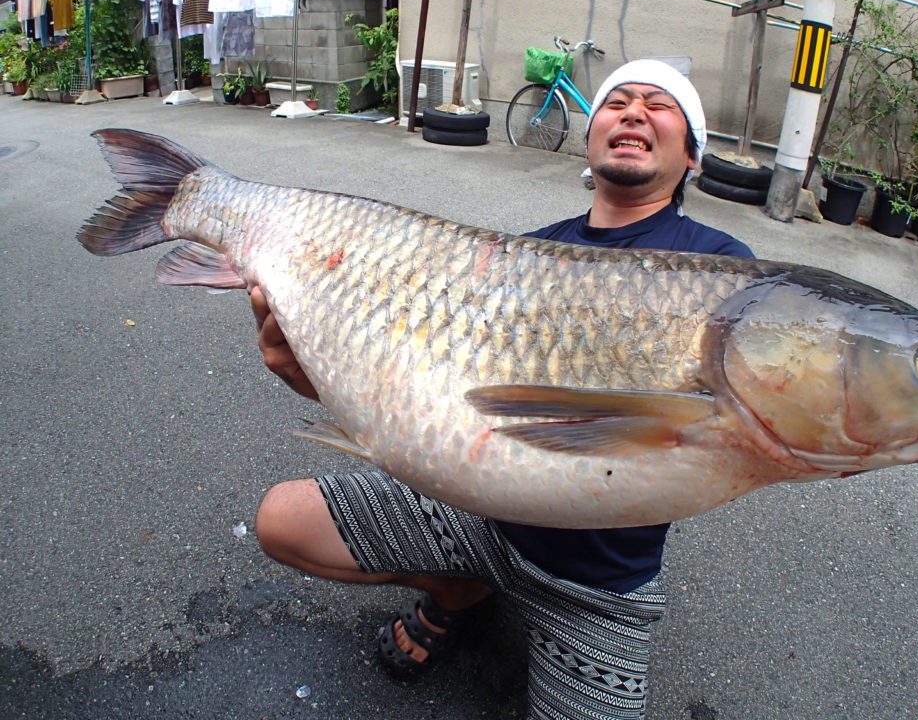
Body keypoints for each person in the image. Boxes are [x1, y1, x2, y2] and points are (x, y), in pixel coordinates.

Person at [251, 59, 753, 720]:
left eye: (659, 106)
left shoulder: (724, 274)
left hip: (600, 586)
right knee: (281, 522)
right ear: (591, 134)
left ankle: (521, 610)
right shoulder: (523, 257)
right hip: (481, 516)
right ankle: (461, 592)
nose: (633, 112)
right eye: (618, 101)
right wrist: (319, 382)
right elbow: (446, 400)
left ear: (692, 156)